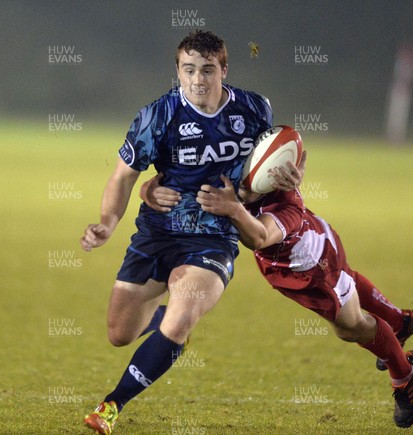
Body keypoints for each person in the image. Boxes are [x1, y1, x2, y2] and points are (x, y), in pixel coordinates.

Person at [79, 30, 296, 434]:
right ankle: (166, 330)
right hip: (157, 234)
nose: (198, 79)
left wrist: (287, 175)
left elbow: (266, 169)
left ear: (224, 70)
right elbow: (123, 177)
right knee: (119, 333)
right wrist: (107, 223)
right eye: (189, 69)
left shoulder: (253, 109)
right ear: (178, 70)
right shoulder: (156, 116)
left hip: (214, 239)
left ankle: (111, 405)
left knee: (180, 320)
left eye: (208, 70)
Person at [142, 151, 413, 429]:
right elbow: (289, 143)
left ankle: (404, 374)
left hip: (312, 269)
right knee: (348, 281)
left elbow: (259, 237)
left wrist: (233, 207)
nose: (240, 184)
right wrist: (148, 190)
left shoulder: (286, 205)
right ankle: (400, 322)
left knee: (350, 327)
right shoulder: (241, 165)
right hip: (297, 253)